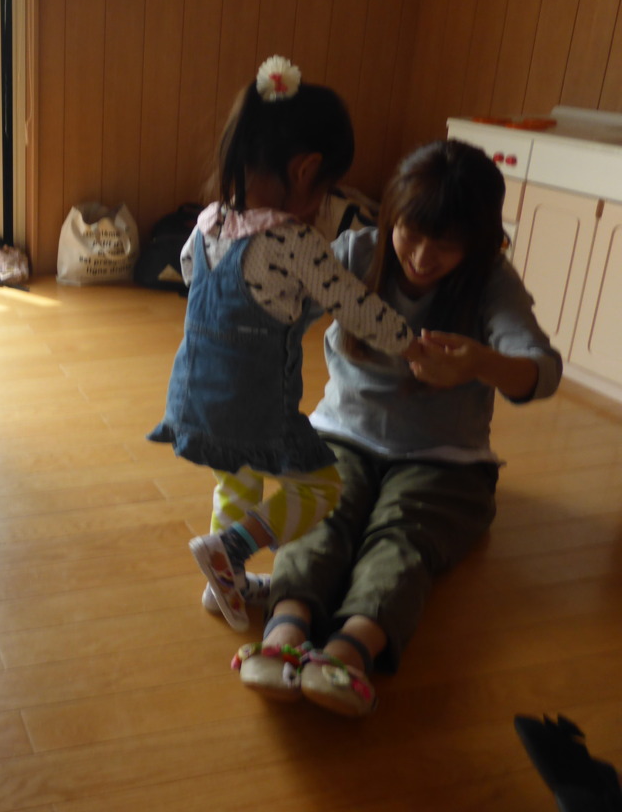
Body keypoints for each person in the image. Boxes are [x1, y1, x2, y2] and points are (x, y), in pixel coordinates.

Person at [236, 139, 561, 717]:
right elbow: (275, 307)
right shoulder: (355, 253)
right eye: (411, 232)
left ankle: (347, 651)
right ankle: (285, 630)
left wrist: (480, 363)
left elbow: (542, 369)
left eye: (447, 244)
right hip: (343, 433)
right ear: (392, 215)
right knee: (323, 515)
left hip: (444, 457)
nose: (423, 256)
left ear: (480, 241)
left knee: (402, 537)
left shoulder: (491, 280)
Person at [148, 56, 422, 632]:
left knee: (237, 482)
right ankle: (233, 548)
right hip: (255, 404)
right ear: (306, 170)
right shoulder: (295, 241)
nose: (324, 203)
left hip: (195, 396)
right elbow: (353, 304)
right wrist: (411, 345)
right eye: (327, 189)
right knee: (323, 488)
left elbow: (192, 274)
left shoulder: (208, 221)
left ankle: (223, 584)